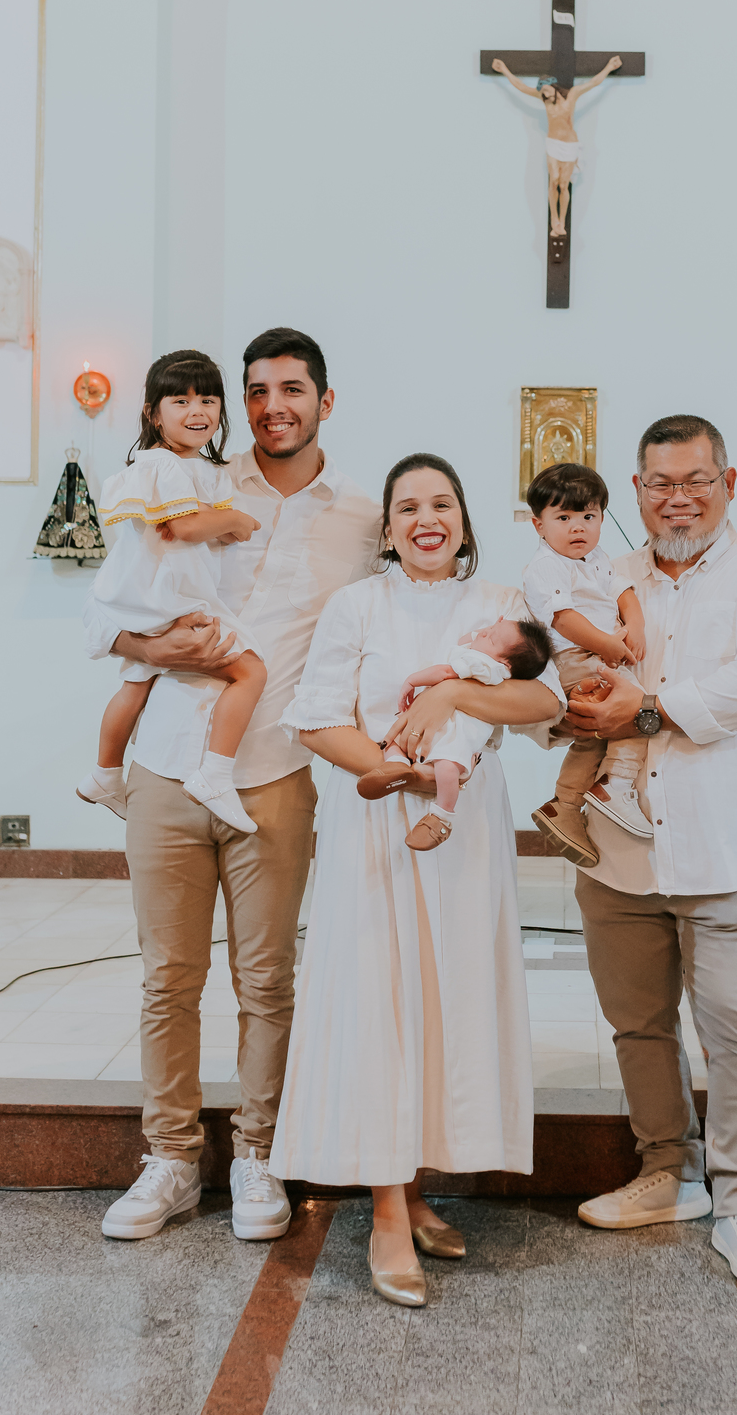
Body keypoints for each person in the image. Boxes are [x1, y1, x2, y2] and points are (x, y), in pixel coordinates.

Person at [87, 329, 382, 1244]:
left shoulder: (364, 518)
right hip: (170, 768)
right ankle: (172, 1158)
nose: (270, 406)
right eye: (256, 391)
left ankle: (257, 1151)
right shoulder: (202, 482)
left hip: (278, 776)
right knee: (168, 979)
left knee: (267, 979)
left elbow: (392, 630)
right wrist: (148, 646)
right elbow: (109, 606)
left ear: (325, 401)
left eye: (292, 389)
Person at [269, 452, 562, 1308]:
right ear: (390, 530)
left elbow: (542, 705)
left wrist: (453, 705)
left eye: (441, 504)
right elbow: (317, 718)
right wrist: (397, 772)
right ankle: (388, 1214)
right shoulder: (357, 605)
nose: (425, 518)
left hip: (463, 833)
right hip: (377, 826)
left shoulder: (499, 605)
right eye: (408, 508)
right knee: (380, 1008)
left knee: (444, 1006)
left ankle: (418, 1183)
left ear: (464, 521)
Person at [561, 415, 737, 1288]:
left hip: (725, 847)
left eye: (695, 481)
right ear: (635, 489)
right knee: (637, 1023)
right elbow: (562, 673)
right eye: (660, 484)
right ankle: (666, 1174)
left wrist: (642, 710)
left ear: (729, 482)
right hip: (616, 852)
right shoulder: (602, 578)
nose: (677, 499)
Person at [77, 350, 265, 835]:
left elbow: (196, 526)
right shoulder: (164, 465)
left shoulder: (193, 468)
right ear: (152, 412)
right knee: (250, 672)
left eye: (208, 399)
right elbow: (183, 527)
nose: (197, 411)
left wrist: (220, 524)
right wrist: (234, 519)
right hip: (165, 599)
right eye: (180, 400)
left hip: (148, 599)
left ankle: (104, 772)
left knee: (136, 683)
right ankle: (216, 774)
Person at [523, 462, 650, 867]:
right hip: (578, 656)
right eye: (563, 517)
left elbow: (622, 590)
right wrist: (607, 645)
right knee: (634, 713)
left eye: (588, 516)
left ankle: (566, 804)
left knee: (593, 735)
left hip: (601, 650)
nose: (578, 527)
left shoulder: (596, 558)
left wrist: (635, 622)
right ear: (538, 525)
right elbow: (563, 618)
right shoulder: (546, 566)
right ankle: (616, 783)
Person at [356, 615, 553, 850]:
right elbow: (465, 640)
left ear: (506, 664)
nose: (483, 633)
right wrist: (493, 633)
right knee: (406, 744)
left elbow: (446, 672)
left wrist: (413, 680)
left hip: (456, 732)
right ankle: (398, 767)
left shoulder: (485, 666)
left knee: (444, 766)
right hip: (441, 726)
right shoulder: (491, 662)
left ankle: (443, 815)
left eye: (491, 638)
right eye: (489, 629)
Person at [490, 54, 622, 236]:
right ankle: (555, 220)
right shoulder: (543, 99)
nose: (545, 95)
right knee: (553, 181)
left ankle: (562, 221)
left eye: (546, 91)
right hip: (553, 144)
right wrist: (504, 70)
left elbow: (593, 83)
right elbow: (521, 87)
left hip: (569, 144)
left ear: (553, 86)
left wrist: (609, 67)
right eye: (542, 93)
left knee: (563, 184)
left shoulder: (572, 95)